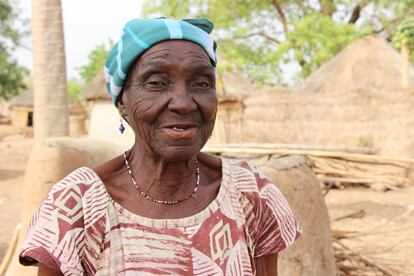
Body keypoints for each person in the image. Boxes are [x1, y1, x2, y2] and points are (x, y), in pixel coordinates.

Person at [19, 18, 301, 275]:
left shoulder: (251, 193)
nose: (182, 102)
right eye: (156, 83)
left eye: (201, 83)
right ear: (122, 103)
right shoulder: (78, 205)